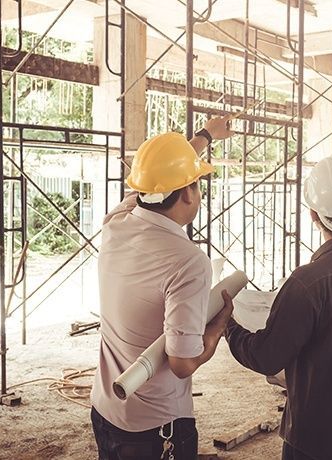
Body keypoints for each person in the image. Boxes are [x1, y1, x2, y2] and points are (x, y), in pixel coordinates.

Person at [222, 155, 332, 460]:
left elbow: (265, 356)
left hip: (317, 438)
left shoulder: (308, 282)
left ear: (313, 213)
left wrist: (229, 325)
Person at [90, 117, 235, 460]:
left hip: (105, 410)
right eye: (197, 183)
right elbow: (182, 362)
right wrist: (218, 326)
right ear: (188, 191)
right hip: (155, 429)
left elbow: (150, 183)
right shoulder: (189, 261)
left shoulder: (117, 222)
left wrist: (203, 138)